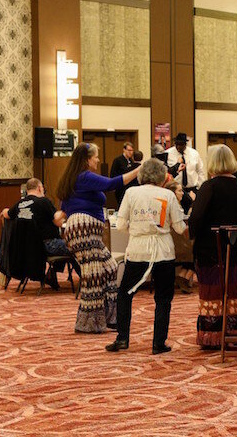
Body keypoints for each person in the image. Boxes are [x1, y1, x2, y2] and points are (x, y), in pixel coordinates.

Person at [105, 159, 187, 355]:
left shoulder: (131, 193)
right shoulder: (168, 194)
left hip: (137, 250)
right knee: (163, 298)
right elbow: (179, 227)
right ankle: (159, 343)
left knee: (125, 294)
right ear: (161, 176)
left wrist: (138, 230)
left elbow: (121, 224)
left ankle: (122, 338)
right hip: (164, 251)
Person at [57, 143, 140, 333]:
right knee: (93, 274)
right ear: (87, 159)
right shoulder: (84, 176)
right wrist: (139, 169)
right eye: (95, 157)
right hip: (83, 230)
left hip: (84, 230)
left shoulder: (75, 178)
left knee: (110, 267)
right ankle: (89, 323)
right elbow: (112, 184)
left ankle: (110, 317)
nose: (97, 160)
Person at [188, 144, 237, 348]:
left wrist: (192, 234)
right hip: (234, 247)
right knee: (232, 289)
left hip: (210, 248)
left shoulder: (210, 186)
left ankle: (212, 335)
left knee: (210, 291)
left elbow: (196, 218)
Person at [0, 178, 75, 289]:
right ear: (40, 188)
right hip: (47, 246)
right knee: (78, 246)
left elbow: (7, 214)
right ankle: (86, 279)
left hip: (28, 249)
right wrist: (65, 211)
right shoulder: (44, 202)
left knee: (65, 244)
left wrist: (4, 210)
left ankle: (51, 274)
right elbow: (58, 222)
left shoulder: (20, 204)